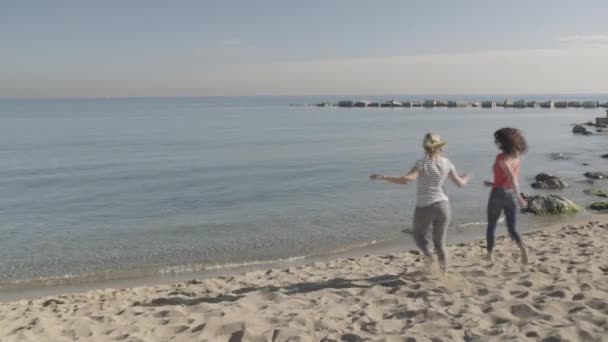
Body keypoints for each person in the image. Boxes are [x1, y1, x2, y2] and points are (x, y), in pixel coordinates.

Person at [370, 133, 471, 275]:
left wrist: (384, 177)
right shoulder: (447, 163)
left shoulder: (422, 163)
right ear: (439, 147)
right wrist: (466, 177)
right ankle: (444, 275)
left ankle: (430, 259)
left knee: (418, 236)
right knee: (440, 243)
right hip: (443, 206)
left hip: (426, 206)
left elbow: (406, 180)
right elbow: (460, 184)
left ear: (425, 147)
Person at [483, 127, 528, 264]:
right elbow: (508, 179)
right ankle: (522, 248)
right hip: (510, 195)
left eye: (498, 140)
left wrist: (520, 197)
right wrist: (493, 183)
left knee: (491, 226)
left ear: (504, 142)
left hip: (498, 194)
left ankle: (490, 255)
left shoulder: (501, 157)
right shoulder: (517, 157)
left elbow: (511, 177)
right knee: (512, 228)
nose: (497, 143)